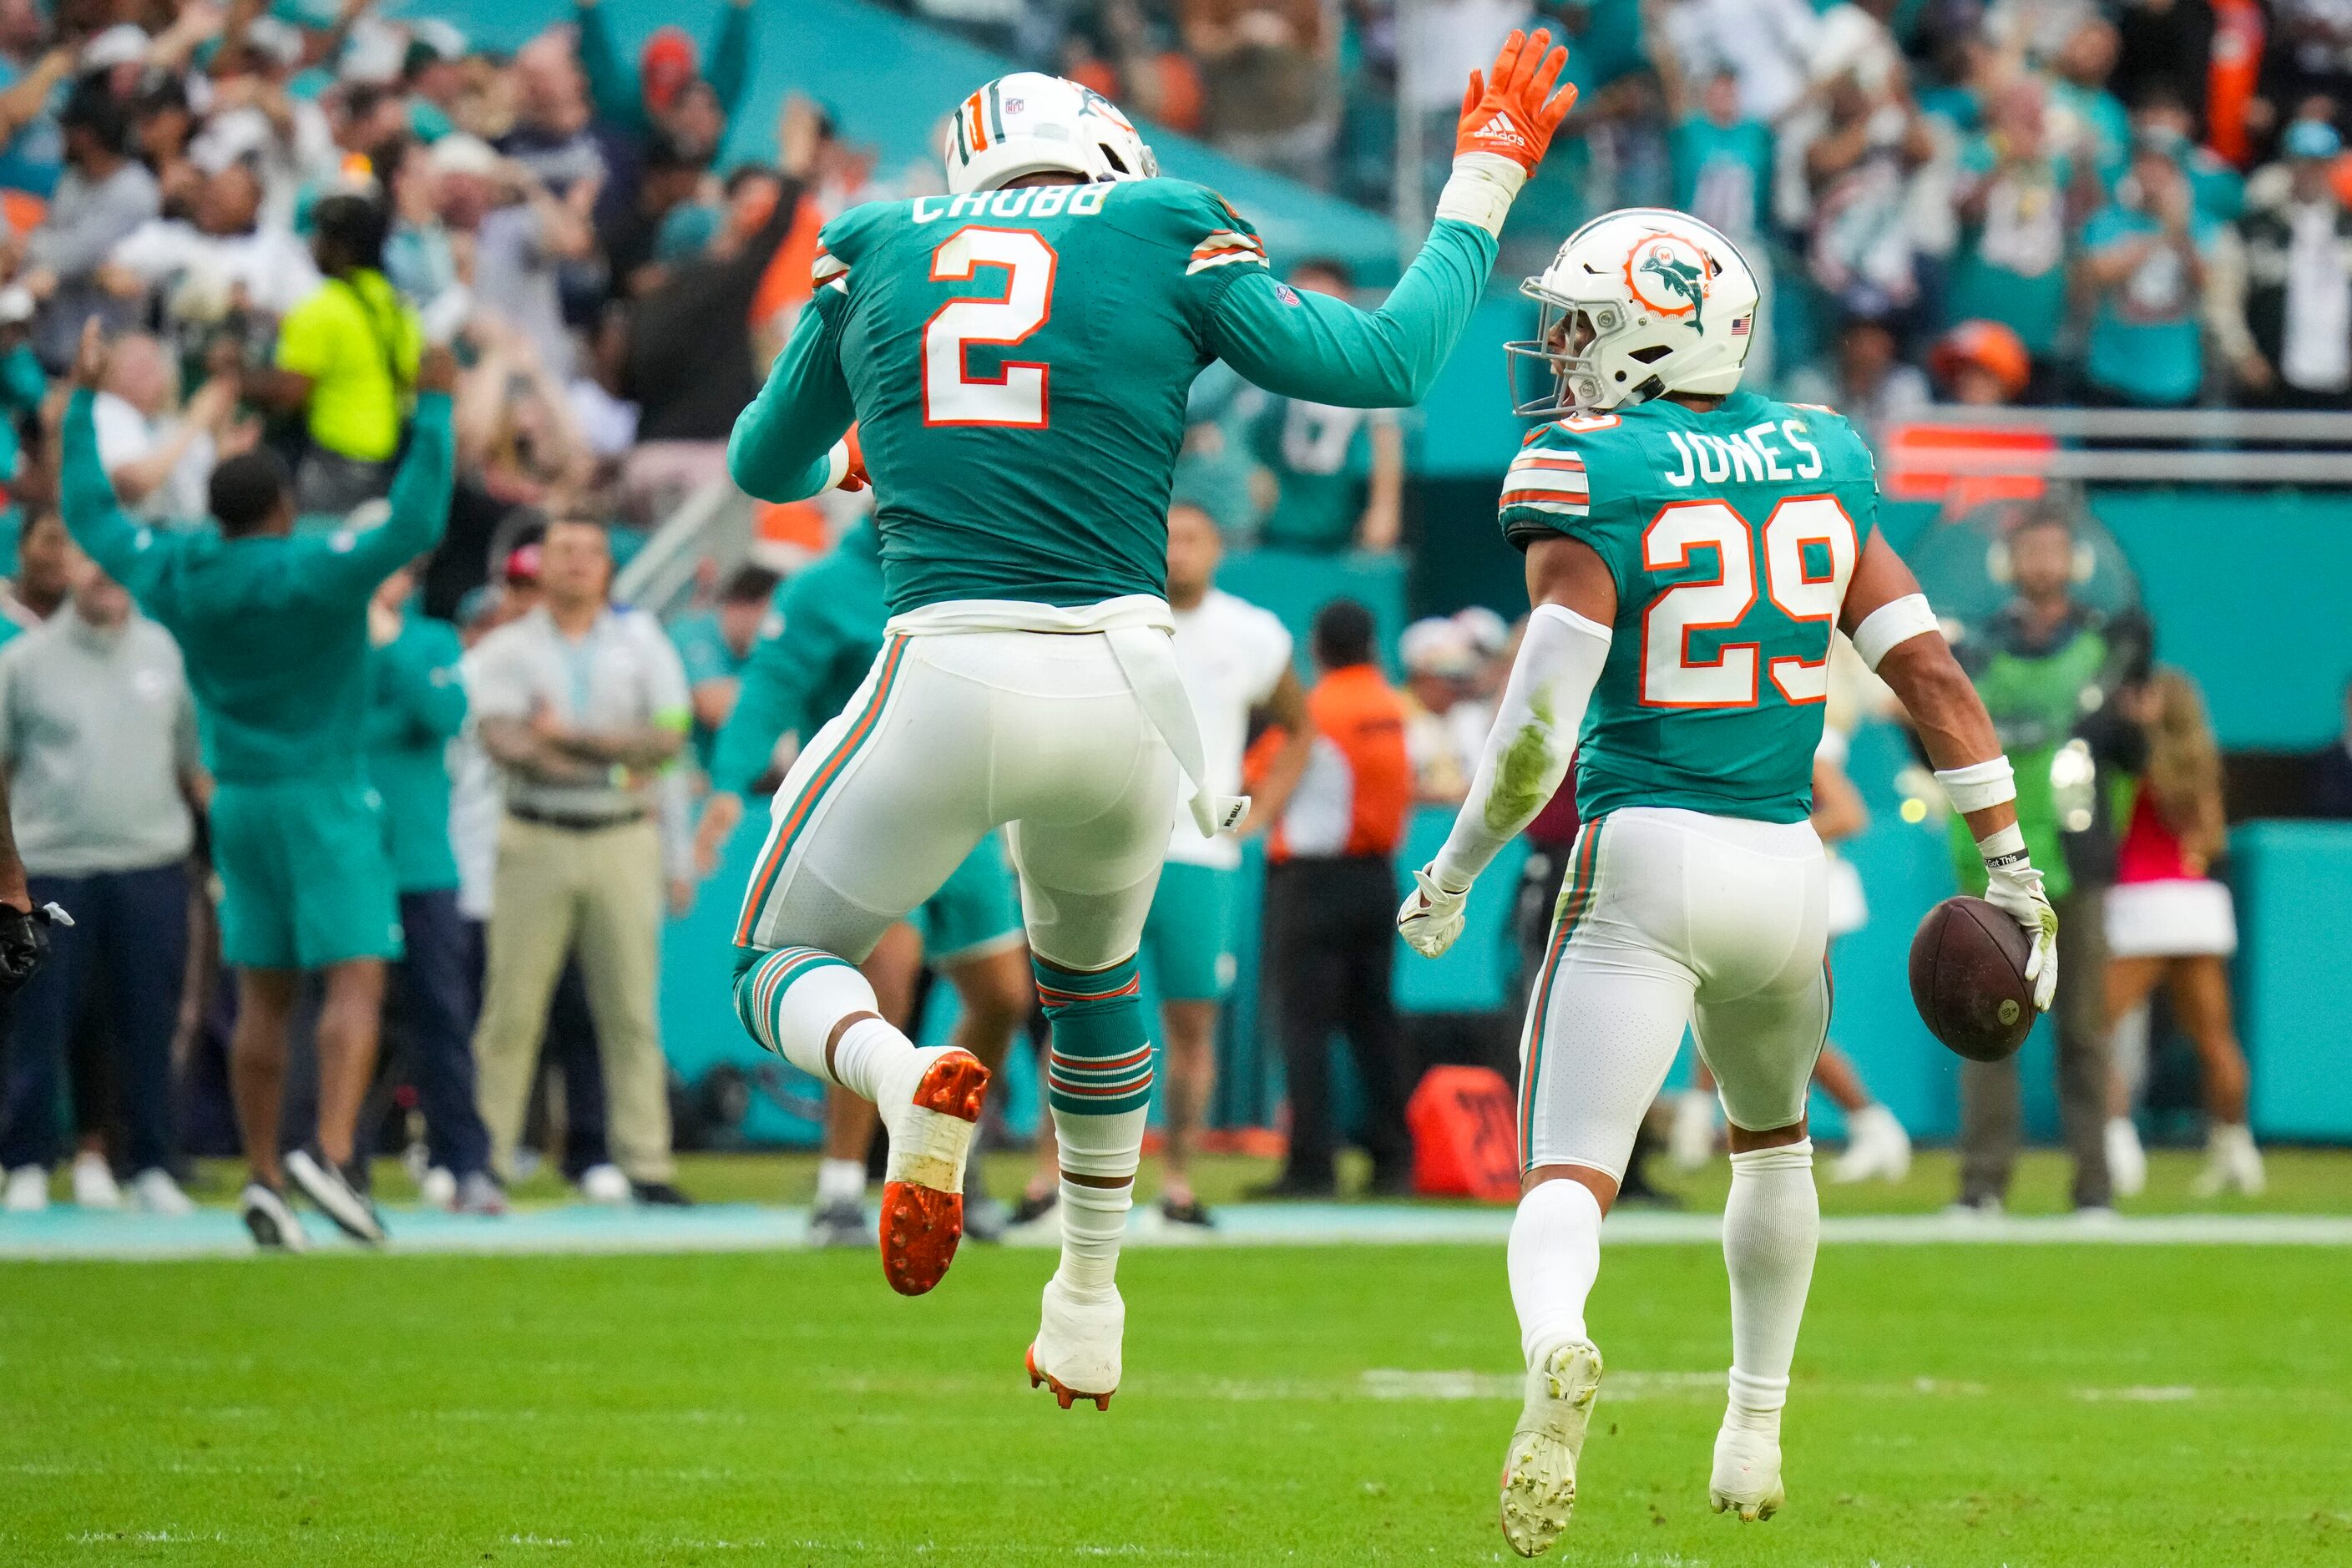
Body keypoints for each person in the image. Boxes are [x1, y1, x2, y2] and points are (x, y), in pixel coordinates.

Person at [721, 42, 1576, 1410]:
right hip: (1126, 686)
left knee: (775, 951)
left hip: (944, 665)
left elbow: (760, 465)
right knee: (1094, 983)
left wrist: (867, 440)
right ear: (1109, 151)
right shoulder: (1159, 224)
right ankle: (1087, 1295)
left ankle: (900, 1073)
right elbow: (1387, 361)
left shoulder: (876, 239)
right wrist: (1480, 174)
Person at [1396, 208, 2058, 1553]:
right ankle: (1751, 1425)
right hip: (1783, 866)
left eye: (1583, 321)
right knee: (1776, 1142)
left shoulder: (1589, 471)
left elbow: (1533, 729)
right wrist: (2010, 860)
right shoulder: (1819, 452)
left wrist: (1457, 866)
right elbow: (1928, 674)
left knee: (1566, 1174)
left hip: (1644, 851)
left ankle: (1561, 1341)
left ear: (1652, 330)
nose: (1563, 347)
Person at [58, 321, 458, 1251]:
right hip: (325, 792)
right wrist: (432, 406)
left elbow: (89, 514)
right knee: (355, 980)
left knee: (265, 997)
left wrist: (79, 405)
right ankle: (327, 1149)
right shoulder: (318, 570)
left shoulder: (179, 575)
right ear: (283, 507)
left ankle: (265, 1176)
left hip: (236, 800)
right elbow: (414, 523)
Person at [694, 519, 1034, 1248]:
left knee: (1004, 997)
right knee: (882, 987)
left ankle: (943, 1164)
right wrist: (728, 781)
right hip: (871, 815)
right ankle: (841, 1187)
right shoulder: (821, 588)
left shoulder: (970, 560)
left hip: (965, 812)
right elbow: (771, 687)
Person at [1018, 503, 1309, 1228]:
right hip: (1103, 844)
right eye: (1168, 538)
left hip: (1197, 855)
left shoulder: (1251, 634)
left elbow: (1301, 727)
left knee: (1190, 1024)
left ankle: (1177, 1181)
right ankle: (1044, 1177)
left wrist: (1262, 809)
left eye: (1192, 539)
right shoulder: (1110, 618)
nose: (1177, 552)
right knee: (1077, 1016)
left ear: (1217, 548)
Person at [466, 517, 691, 1206]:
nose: (576, 564)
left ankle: (646, 1163)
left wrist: (565, 739)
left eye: (589, 552)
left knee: (630, 1010)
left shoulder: (642, 642)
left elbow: (667, 740)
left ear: (607, 567)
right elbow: (505, 741)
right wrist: (613, 757)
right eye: (563, 551)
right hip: (534, 835)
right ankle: (487, 1159)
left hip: (621, 836)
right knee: (512, 1009)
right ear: (540, 565)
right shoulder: (505, 648)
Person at [0, 546, 204, 1215]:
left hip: (150, 864)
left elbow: (192, 762)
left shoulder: (164, 652)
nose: (107, 577)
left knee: (147, 1021)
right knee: (40, 1019)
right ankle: (26, 1160)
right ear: (69, 571)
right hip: (54, 866)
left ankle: (149, 1163)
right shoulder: (25, 663)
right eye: (92, 563)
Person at [1946, 507, 2131, 1216]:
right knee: (1984, 1029)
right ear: (2008, 563)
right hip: (1989, 859)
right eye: (2030, 550)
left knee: (2083, 1029)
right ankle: (1980, 1188)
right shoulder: (1977, 649)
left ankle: (2094, 1191)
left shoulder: (2107, 647)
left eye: (2054, 549)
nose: (2042, 563)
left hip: (2075, 856)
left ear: (2074, 562)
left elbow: (2130, 750)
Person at [1259, 597, 1416, 1199]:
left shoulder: (1316, 708)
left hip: (1313, 880)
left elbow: (1262, 774)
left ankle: (1310, 1165)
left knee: (1303, 1028)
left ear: (1317, 646)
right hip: (1378, 877)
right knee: (1374, 1022)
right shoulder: (1390, 706)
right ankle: (1392, 1160)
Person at [365, 564, 499, 1216]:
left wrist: (388, 645)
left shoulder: (428, 641)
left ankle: (465, 1163)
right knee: (341, 1022)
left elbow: (444, 711)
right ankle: (337, 1161)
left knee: (442, 1019)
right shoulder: (327, 641)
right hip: (347, 859)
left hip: (422, 861)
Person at [2102, 668, 2262, 1198]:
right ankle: (2237, 1150)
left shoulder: (2129, 761)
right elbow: (2210, 840)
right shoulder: (2200, 766)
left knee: (2093, 1032)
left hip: (2143, 906)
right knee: (2215, 1038)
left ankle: (2118, 1146)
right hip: (2194, 904)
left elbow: (2111, 831)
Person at [245, 193, 422, 513]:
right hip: (392, 462)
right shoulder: (400, 307)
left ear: (340, 247)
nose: (313, 246)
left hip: (334, 461)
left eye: (320, 237)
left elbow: (289, 392)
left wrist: (237, 379)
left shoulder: (323, 308)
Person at [1247, 259, 1405, 554]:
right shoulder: (1265, 357)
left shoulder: (1366, 365)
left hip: (1338, 511)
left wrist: (1384, 509)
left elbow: (1386, 439)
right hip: (1275, 514)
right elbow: (1242, 431)